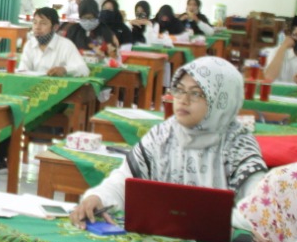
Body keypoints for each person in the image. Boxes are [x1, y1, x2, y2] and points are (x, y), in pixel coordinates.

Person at [70, 57, 266, 224]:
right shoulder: (162, 135)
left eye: (196, 93)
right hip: (160, 240)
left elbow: (261, 209)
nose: (183, 100)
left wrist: (201, 220)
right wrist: (98, 198)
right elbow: (124, 180)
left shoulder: (237, 144)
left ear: (222, 100)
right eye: (179, 90)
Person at [20, 7, 89, 77]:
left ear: (55, 27)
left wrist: (65, 70)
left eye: (43, 23)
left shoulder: (66, 45)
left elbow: (84, 70)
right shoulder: (30, 44)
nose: (37, 27)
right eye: (35, 22)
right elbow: (22, 71)